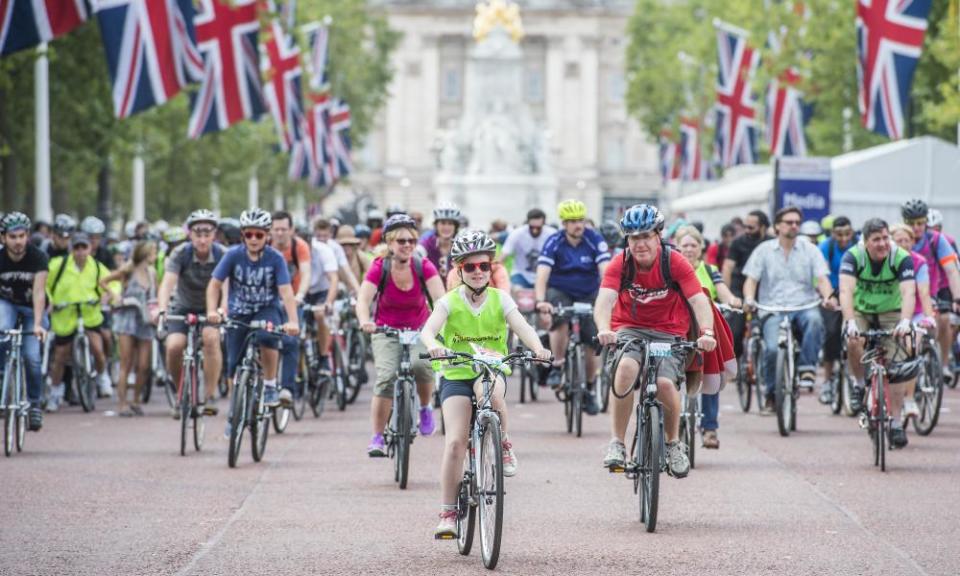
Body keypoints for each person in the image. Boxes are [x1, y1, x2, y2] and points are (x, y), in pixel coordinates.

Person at [421, 230, 551, 537]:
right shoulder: (449, 302)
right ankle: (448, 513)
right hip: (455, 374)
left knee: (489, 392)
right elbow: (428, 331)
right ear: (459, 270)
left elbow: (523, 326)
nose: (478, 272)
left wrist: (538, 348)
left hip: (490, 370)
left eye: (484, 266)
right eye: (470, 267)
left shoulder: (500, 298)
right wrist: (433, 346)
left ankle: (503, 443)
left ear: (491, 268)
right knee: (454, 442)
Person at [595, 205, 718, 478]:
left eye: (646, 236)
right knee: (625, 369)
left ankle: (674, 443)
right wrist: (604, 329)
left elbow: (699, 300)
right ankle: (617, 443)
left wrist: (707, 333)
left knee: (664, 384)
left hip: (669, 332)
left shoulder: (674, 261)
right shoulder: (621, 262)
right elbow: (604, 300)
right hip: (629, 329)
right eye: (633, 237)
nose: (639, 244)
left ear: (659, 235)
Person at [355, 214, 446, 456]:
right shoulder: (379, 266)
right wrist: (365, 321)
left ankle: (425, 408)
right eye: (401, 241)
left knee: (421, 365)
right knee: (386, 376)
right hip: (386, 330)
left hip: (420, 329)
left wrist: (440, 324)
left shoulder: (423, 266)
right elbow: (363, 300)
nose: (407, 245)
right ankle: (377, 436)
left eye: (411, 241)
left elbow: (440, 299)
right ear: (389, 242)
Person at [206, 209, 299, 427]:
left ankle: (269, 385)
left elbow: (286, 292)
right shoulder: (232, 255)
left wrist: (293, 321)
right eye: (249, 235)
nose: (254, 239)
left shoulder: (275, 258)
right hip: (239, 311)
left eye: (259, 235)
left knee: (268, 338)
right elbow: (214, 285)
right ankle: (234, 412)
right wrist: (212, 310)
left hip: (266, 308)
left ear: (267, 236)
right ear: (242, 236)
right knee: (232, 365)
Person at [742, 206, 837, 410]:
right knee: (772, 349)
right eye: (789, 222)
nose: (794, 226)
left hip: (804, 305)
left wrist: (828, 297)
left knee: (815, 320)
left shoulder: (810, 250)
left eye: (797, 222)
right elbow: (751, 280)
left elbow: (822, 279)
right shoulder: (764, 250)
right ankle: (771, 394)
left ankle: (806, 369)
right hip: (772, 308)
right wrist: (749, 298)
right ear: (777, 225)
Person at [840, 218, 917, 448]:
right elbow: (845, 290)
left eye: (885, 238)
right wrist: (850, 321)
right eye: (876, 240)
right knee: (853, 340)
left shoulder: (901, 257)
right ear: (865, 242)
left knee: (896, 365)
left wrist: (905, 321)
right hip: (862, 312)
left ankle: (894, 422)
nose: (883, 243)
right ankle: (859, 382)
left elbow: (908, 292)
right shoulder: (853, 257)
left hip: (891, 312)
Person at [535, 200, 609, 415]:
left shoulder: (594, 239)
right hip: (561, 290)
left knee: (592, 339)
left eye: (581, 220)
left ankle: (589, 387)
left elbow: (605, 270)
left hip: (589, 291)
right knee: (560, 319)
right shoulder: (554, 241)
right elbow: (542, 274)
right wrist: (541, 301)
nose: (579, 225)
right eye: (573, 221)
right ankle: (557, 365)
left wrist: (608, 297)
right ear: (564, 224)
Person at [675, 225, 740, 449]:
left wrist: (732, 300)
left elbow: (721, 289)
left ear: (701, 248)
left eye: (694, 245)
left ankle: (710, 427)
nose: (690, 249)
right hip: (679, 327)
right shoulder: (672, 268)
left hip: (705, 327)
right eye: (685, 245)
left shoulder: (710, 269)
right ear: (677, 247)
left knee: (711, 370)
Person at [156, 210, 225, 416]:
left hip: (211, 308)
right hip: (183, 307)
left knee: (211, 338)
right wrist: (162, 310)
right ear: (190, 234)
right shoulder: (180, 253)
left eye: (207, 234)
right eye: (198, 234)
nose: (202, 239)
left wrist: (222, 310)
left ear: (214, 234)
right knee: (174, 346)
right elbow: (167, 284)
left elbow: (229, 289)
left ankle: (210, 396)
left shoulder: (222, 254)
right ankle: (181, 393)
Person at [46, 232, 112, 411]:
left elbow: (112, 283)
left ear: (90, 249)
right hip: (65, 316)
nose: (81, 252)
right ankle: (55, 393)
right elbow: (43, 285)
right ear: (71, 249)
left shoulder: (97, 267)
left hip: (89, 314)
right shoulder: (57, 266)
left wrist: (108, 296)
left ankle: (101, 376)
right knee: (60, 356)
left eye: (84, 247)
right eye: (77, 248)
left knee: (98, 349)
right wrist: (50, 301)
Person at [902, 199, 960, 382]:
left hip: (932, 292)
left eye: (920, 223)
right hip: (904, 294)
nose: (916, 227)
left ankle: (942, 365)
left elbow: (952, 270)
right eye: (911, 223)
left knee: (943, 319)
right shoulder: (899, 239)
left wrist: (957, 298)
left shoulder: (936, 240)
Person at [0, 212, 48, 430]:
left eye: (21, 236)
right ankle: (2, 379)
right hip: (7, 304)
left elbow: (39, 293)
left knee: (32, 356)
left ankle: (35, 405)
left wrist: (38, 324)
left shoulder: (38, 257)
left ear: (28, 236)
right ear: (3, 238)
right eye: (12, 237)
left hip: (31, 309)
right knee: (2, 331)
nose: (18, 242)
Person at [99, 241, 157, 417]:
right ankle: (122, 403)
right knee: (126, 363)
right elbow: (103, 281)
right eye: (153, 252)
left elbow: (156, 294)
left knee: (144, 365)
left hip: (145, 320)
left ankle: (136, 399)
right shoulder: (128, 270)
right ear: (146, 254)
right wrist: (114, 294)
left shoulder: (152, 273)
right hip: (127, 319)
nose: (155, 256)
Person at [890, 223, 937, 420]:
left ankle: (909, 398)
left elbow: (924, 292)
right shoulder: (887, 261)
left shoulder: (919, 262)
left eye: (907, 241)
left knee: (912, 344)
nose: (903, 244)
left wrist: (929, 316)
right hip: (891, 311)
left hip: (915, 311)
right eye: (899, 240)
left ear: (913, 242)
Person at [270, 210, 312, 406]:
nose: (279, 233)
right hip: (269, 301)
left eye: (283, 229)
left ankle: (287, 388)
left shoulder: (299, 247)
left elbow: (305, 274)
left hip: (292, 300)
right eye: (276, 229)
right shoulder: (265, 246)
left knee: (290, 341)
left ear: (291, 230)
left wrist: (300, 296)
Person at [722, 210, 770, 359]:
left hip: (764, 290)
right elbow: (727, 267)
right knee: (735, 331)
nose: (747, 230)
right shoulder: (738, 242)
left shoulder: (771, 242)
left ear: (763, 227)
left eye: (751, 227)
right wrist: (728, 295)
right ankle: (735, 362)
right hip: (739, 288)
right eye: (745, 226)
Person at [817, 216, 855, 403]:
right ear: (832, 234)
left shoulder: (859, 245)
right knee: (831, 334)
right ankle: (827, 380)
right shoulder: (825, 247)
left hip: (855, 294)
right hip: (831, 294)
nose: (843, 238)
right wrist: (827, 297)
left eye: (847, 234)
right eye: (839, 234)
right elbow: (819, 274)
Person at [305, 219, 340, 371]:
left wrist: (328, 303)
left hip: (321, 290)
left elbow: (334, 279)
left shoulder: (324, 250)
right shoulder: (292, 250)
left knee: (320, 315)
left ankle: (324, 356)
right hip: (303, 291)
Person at [500, 208, 557, 290]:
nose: (534, 231)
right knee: (517, 291)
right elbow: (504, 254)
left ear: (544, 224)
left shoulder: (552, 234)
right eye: (532, 227)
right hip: (521, 275)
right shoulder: (517, 233)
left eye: (538, 228)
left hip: (544, 275)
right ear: (528, 222)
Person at [420, 202, 461, 286]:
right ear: (436, 225)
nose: (446, 227)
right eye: (442, 223)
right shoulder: (427, 242)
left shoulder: (461, 243)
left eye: (450, 223)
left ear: (455, 227)